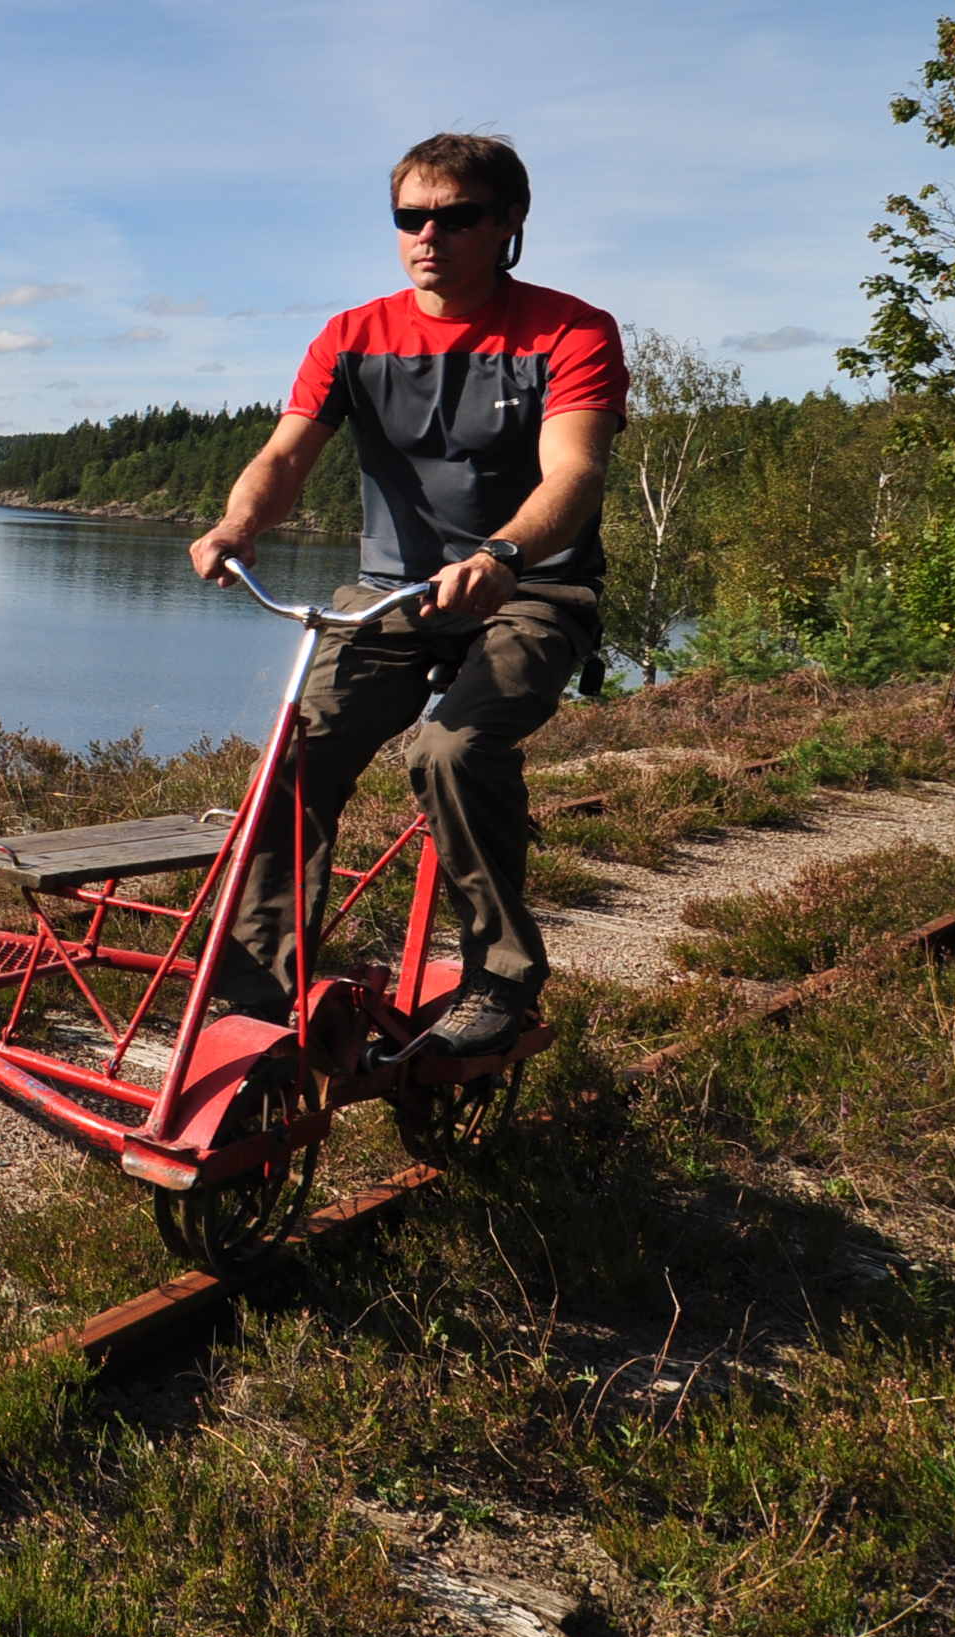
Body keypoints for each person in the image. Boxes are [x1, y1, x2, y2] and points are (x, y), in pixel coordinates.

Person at [188, 132, 626, 1053]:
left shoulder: (570, 331)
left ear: (510, 223)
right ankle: (261, 992)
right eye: (410, 216)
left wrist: (505, 553)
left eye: (457, 216)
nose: (429, 234)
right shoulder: (352, 335)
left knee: (454, 751)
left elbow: (575, 473)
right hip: (391, 594)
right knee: (296, 755)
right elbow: (283, 457)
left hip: (533, 588)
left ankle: (499, 983)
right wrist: (240, 524)